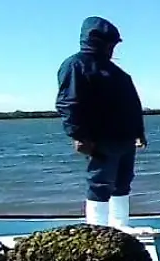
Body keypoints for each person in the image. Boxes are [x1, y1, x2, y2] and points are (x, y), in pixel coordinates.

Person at [55, 16, 147, 230]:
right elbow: (69, 102)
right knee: (100, 182)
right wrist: (78, 135)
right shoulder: (76, 65)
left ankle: (120, 226)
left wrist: (139, 132)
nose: (113, 48)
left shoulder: (118, 73)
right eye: (110, 43)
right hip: (99, 139)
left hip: (124, 138)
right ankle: (97, 230)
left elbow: (133, 104)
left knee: (123, 182)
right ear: (97, 40)